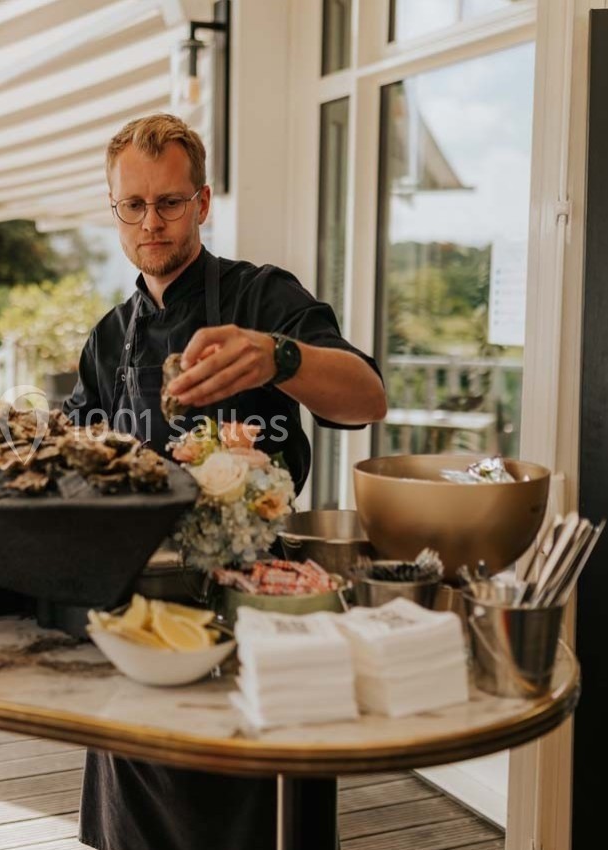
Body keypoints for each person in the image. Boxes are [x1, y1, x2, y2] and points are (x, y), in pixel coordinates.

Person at [63, 113, 387, 850]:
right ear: (114, 208)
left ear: (202, 203)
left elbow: (367, 399)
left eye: (169, 202)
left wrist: (280, 357)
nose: (151, 222)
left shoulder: (262, 298)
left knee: (259, 823)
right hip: (144, 619)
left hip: (256, 610)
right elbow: (75, 462)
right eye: (133, 205)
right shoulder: (109, 337)